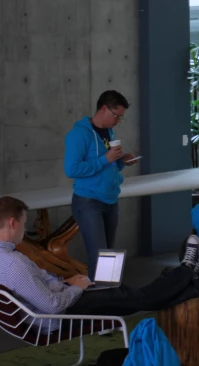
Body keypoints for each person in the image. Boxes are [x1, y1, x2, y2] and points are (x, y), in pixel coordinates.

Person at [0, 196, 199, 320]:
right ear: (12, 223)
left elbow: (39, 288)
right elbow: (52, 306)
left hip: (51, 304)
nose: (24, 231)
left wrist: (67, 284)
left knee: (127, 295)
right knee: (134, 297)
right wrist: (75, 289)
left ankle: (188, 286)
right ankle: (187, 272)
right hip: (57, 317)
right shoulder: (12, 263)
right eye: (24, 225)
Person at [64, 90, 138, 280]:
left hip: (110, 200)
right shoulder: (79, 134)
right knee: (99, 258)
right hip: (88, 201)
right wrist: (106, 159)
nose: (118, 121)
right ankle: (100, 301)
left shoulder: (109, 131)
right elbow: (71, 170)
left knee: (108, 257)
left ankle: (107, 297)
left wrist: (121, 161)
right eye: (116, 116)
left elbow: (108, 168)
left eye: (121, 117)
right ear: (104, 108)